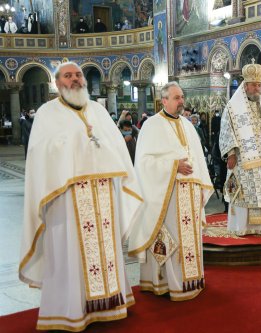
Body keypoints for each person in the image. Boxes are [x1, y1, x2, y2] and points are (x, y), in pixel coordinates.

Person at [19, 62, 143, 331]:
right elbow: (40, 155)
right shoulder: (47, 113)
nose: (75, 79)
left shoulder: (98, 110)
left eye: (78, 75)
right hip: (66, 199)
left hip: (103, 196)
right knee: (70, 254)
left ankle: (109, 302)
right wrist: (73, 147)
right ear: (57, 82)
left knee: (106, 251)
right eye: (68, 75)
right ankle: (72, 309)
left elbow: (116, 148)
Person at [128, 82, 213, 300]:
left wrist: (202, 187)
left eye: (182, 97)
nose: (181, 101)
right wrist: (173, 166)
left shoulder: (188, 125)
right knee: (169, 240)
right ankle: (166, 283)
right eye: (176, 98)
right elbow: (144, 163)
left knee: (190, 240)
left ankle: (190, 280)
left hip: (190, 194)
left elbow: (199, 160)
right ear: (163, 100)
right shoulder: (152, 125)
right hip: (167, 194)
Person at [219, 60, 261, 235]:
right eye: (254, 85)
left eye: (259, 85)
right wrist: (231, 154)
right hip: (243, 161)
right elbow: (226, 130)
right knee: (244, 195)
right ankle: (242, 227)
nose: (257, 89)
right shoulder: (233, 107)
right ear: (245, 86)